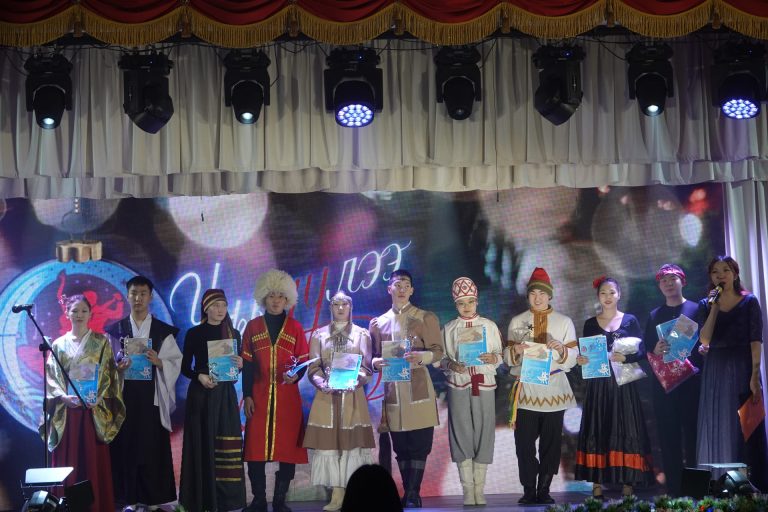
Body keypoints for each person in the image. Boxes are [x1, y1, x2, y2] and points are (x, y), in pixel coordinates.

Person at [106, 276, 182, 512]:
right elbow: (107, 365)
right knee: (127, 447)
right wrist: (117, 368)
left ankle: (154, 499)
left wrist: (160, 362)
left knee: (152, 447)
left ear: (150, 296)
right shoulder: (116, 331)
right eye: (134, 293)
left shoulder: (162, 331)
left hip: (152, 396)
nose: (138, 298)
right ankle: (129, 499)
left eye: (142, 293)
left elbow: (175, 362)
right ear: (127, 295)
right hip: (126, 397)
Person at [42, 294, 125, 512]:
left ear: (90, 314)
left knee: (91, 461)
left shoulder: (101, 342)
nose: (79, 315)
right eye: (75, 311)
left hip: (91, 411)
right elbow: (52, 377)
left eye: (84, 311)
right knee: (68, 462)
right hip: (68, 412)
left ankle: (96, 507)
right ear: (67, 313)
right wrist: (63, 397)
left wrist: (97, 396)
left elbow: (107, 373)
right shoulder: (58, 345)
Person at [574, 276, 654, 499]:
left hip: (624, 384)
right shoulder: (590, 323)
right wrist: (582, 360)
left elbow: (643, 350)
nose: (608, 297)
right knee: (598, 427)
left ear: (619, 295)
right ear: (598, 296)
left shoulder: (630, 320)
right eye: (603, 293)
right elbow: (586, 353)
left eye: (612, 292)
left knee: (627, 428)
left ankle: (628, 483)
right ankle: (597, 485)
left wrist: (626, 358)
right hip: (598, 385)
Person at [370, 269, 444, 508]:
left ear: (411, 290)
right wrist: (375, 362)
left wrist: (421, 356)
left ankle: (412, 493)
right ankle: (410, 493)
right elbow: (372, 356)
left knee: (419, 445)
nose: (401, 289)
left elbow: (438, 352)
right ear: (389, 289)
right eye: (397, 285)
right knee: (401, 446)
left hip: (418, 387)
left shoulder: (425, 317)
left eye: (406, 285)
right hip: (393, 390)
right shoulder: (378, 323)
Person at [504, 267, 578, 505]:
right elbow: (507, 358)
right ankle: (528, 488)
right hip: (527, 389)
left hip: (554, 389)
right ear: (528, 295)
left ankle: (544, 488)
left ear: (550, 295)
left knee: (551, 444)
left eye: (542, 293)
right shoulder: (517, 321)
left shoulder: (564, 322)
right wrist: (515, 350)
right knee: (523, 444)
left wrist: (562, 349)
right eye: (533, 293)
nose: (538, 298)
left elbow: (573, 357)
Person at [242, 269, 309, 512]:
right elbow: (247, 365)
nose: (276, 300)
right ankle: (259, 500)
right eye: (271, 295)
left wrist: (296, 376)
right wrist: (247, 395)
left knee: (288, 450)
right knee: (255, 449)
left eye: (281, 295)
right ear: (263, 297)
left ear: (287, 298)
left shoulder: (295, 327)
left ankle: (280, 500)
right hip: (258, 395)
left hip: (287, 398)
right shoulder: (252, 327)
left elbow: (303, 361)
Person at [696, 256, 766, 491]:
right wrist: (714, 308)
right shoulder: (706, 304)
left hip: (743, 366)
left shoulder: (749, 301)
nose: (721, 275)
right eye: (715, 272)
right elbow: (705, 339)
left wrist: (754, 375)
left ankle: (751, 486)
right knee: (719, 424)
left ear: (735, 274)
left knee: (745, 427)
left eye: (725, 270)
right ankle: (721, 485)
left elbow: (756, 340)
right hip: (716, 369)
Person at [303, 292, 376, 511]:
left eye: (345, 304)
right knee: (331, 444)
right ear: (331, 307)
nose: (341, 308)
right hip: (327, 397)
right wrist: (322, 383)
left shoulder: (362, 334)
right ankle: (337, 494)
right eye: (336, 304)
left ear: (351, 307)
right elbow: (313, 367)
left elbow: (367, 368)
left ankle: (353, 493)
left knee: (351, 443)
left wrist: (356, 380)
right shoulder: (319, 335)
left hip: (352, 397)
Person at [179, 289, 246, 512]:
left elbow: (235, 371)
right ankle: (201, 500)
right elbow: (185, 367)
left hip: (224, 395)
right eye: (216, 305)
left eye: (224, 305)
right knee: (201, 444)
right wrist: (199, 376)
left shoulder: (233, 333)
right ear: (206, 308)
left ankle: (227, 501)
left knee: (225, 443)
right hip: (201, 394)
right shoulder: (194, 333)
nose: (220, 310)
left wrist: (240, 364)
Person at [440, 277, 503, 506]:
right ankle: (467, 488)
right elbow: (441, 359)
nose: (466, 306)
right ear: (455, 304)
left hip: (484, 383)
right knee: (461, 432)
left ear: (476, 301)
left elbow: (500, 354)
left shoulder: (489, 326)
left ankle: (479, 488)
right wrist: (451, 365)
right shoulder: (449, 328)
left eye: (470, 301)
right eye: (461, 303)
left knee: (484, 432)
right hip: (459, 385)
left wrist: (493, 358)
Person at [642, 264, 703, 496]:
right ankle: (675, 493)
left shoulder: (697, 309)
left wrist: (704, 349)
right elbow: (647, 349)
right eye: (663, 280)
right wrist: (655, 349)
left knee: (694, 437)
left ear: (682, 281)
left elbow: (707, 341)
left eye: (672, 279)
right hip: (664, 387)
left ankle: (696, 491)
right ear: (659, 286)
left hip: (692, 384)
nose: (668, 283)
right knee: (668, 438)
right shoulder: (654, 315)